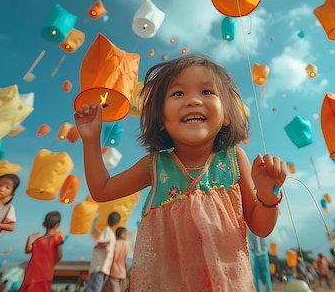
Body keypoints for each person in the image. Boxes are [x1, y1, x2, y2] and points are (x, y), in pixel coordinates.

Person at [74, 54, 288, 291]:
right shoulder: (156, 165)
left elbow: (260, 227)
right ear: (161, 119)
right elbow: (102, 190)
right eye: (178, 94)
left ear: (226, 114)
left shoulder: (233, 159)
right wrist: (91, 140)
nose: (193, 101)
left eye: (207, 92)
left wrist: (268, 197)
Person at [16, 211, 64, 292]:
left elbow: (28, 250)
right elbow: (59, 255)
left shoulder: (38, 240)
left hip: (32, 273)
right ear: (57, 225)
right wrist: (51, 264)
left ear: (44, 224)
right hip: (46, 273)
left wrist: (30, 238)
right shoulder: (57, 238)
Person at [86, 212, 120, 292]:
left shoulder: (110, 232)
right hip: (99, 267)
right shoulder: (107, 230)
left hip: (103, 267)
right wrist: (107, 243)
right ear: (117, 222)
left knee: (96, 288)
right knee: (95, 289)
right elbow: (100, 242)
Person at [108, 227, 129, 292]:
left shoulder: (114, 244)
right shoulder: (126, 244)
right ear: (122, 234)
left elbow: (110, 258)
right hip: (123, 273)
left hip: (113, 272)